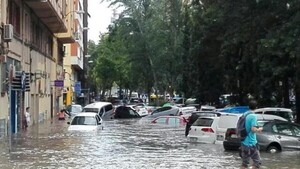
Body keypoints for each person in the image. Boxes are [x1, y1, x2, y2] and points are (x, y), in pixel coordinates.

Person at [240, 100, 263, 169]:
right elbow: (253, 129)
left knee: (244, 163)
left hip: (243, 142)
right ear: (256, 107)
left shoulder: (244, 114)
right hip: (251, 143)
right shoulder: (253, 116)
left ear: (248, 107)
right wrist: (259, 129)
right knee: (257, 163)